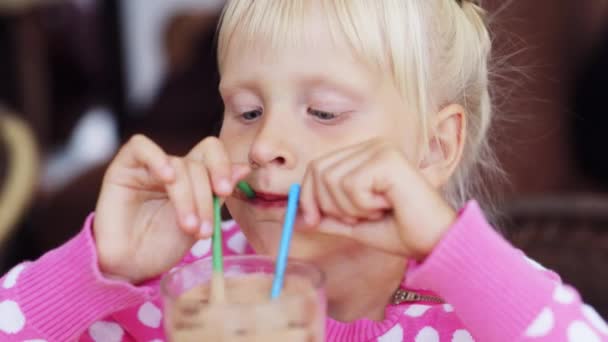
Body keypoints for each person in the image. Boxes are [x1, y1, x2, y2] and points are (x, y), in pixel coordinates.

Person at [1, 0, 607, 341]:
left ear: (433, 148)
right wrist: (96, 269)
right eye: (245, 110)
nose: (264, 145)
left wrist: (453, 248)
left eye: (323, 111)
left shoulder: (475, 310)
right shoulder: (179, 288)